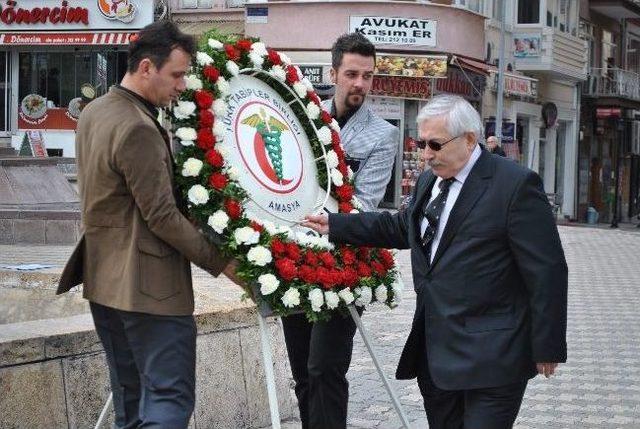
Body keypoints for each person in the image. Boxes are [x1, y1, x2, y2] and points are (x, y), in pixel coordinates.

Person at [304, 94, 568, 429]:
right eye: (420, 143)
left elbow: (547, 269)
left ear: (470, 140)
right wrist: (337, 224)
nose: (426, 155)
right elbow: (404, 226)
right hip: (437, 353)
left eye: (435, 145)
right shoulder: (431, 180)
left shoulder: (515, 185)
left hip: (494, 355)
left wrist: (548, 345)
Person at [57, 21, 237, 428]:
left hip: (104, 282)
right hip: (149, 290)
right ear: (144, 68)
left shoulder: (96, 111)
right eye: (175, 75)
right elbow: (162, 216)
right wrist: (223, 263)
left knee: (131, 403)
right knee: (167, 402)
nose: (180, 86)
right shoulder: (138, 126)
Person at [281, 32, 398, 429]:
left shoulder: (383, 136)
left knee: (325, 368)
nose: (359, 84)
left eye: (367, 75)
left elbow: (363, 203)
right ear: (333, 73)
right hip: (292, 257)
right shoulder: (301, 118)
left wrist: (316, 218)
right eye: (351, 74)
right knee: (302, 372)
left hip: (343, 262)